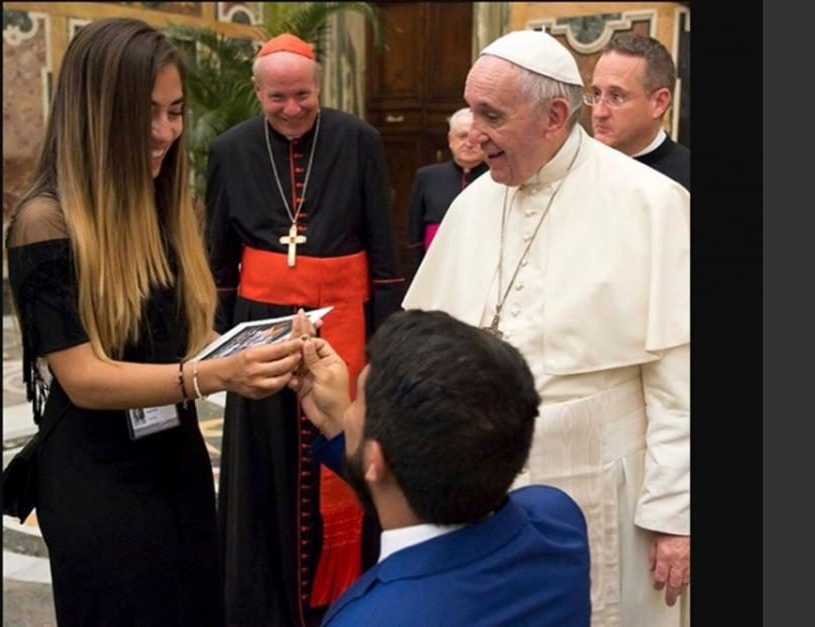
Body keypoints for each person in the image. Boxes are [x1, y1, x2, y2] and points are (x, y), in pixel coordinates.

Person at [5, 18, 306, 626]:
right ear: (96, 114)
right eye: (146, 113)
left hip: (177, 460)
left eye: (175, 111)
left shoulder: (162, 203)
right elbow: (84, 378)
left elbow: (183, 335)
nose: (166, 132)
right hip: (98, 480)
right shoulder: (45, 220)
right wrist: (210, 376)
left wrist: (268, 348)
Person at [403, 30, 690, 627]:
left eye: (492, 116)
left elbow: (679, 382)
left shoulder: (652, 202)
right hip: (485, 482)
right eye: (471, 110)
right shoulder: (471, 204)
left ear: (555, 116)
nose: (473, 132)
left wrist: (674, 515)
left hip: (604, 480)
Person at [205, 32, 404, 627]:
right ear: (257, 92)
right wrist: (219, 340)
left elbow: (384, 249)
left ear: (319, 86)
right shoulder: (230, 150)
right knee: (264, 471)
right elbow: (219, 258)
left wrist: (385, 341)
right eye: (278, 98)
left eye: (303, 95)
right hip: (260, 327)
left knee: (346, 451)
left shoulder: (359, 140)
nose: (292, 109)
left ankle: (343, 603)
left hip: (345, 324)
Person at [288, 310, 591, 626]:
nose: (349, 409)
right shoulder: (557, 522)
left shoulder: (366, 618)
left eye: (357, 400)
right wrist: (344, 427)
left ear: (376, 460)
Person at [589, 34, 690, 190]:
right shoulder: (578, 169)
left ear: (659, 103)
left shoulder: (684, 181)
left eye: (616, 97)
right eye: (596, 94)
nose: (599, 113)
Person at [405, 108, 488, 276]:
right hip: (436, 268)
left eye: (475, 137)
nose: (469, 143)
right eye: (463, 136)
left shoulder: (500, 178)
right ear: (450, 140)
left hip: (483, 267)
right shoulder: (427, 176)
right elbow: (414, 233)